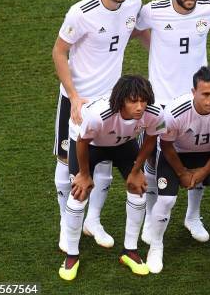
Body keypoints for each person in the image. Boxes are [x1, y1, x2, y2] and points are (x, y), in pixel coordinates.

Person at [135, 0, 210, 244]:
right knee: (155, 162)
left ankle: (192, 216)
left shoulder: (208, 8)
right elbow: (133, 30)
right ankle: (149, 216)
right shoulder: (152, 12)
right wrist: (153, 46)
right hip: (163, 102)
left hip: (198, 99)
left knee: (200, 151)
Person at [52, 0, 146, 252]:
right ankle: (67, 225)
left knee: (105, 162)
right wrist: (75, 95)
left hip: (112, 101)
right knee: (68, 163)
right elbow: (58, 52)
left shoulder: (133, 2)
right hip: (77, 102)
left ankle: (93, 220)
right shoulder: (81, 13)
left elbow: (135, 32)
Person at [59, 75, 166, 281]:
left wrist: (136, 170)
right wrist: (83, 174)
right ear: (121, 100)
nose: (140, 106)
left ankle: (130, 251)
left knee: (139, 188)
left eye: (143, 100)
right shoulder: (99, 115)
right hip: (90, 145)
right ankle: (72, 255)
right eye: (133, 101)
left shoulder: (153, 112)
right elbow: (82, 142)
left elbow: (152, 138)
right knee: (79, 193)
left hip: (123, 144)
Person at [146, 66, 210, 272]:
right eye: (205, 94)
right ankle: (156, 246)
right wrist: (182, 173)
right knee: (166, 199)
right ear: (193, 93)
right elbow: (166, 145)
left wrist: (204, 171)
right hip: (176, 154)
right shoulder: (173, 112)